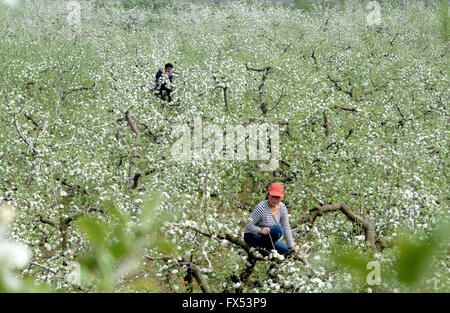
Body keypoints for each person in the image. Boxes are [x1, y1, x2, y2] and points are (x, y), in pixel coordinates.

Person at [244, 183, 301, 257]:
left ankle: (271, 261)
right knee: (278, 229)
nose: (274, 200)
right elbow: (247, 225)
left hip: (268, 239)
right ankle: (266, 250)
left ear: (281, 197)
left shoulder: (282, 207)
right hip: (252, 236)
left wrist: (292, 246)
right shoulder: (261, 208)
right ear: (268, 195)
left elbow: (286, 227)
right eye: (272, 196)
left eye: (277, 197)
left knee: (288, 252)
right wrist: (260, 231)